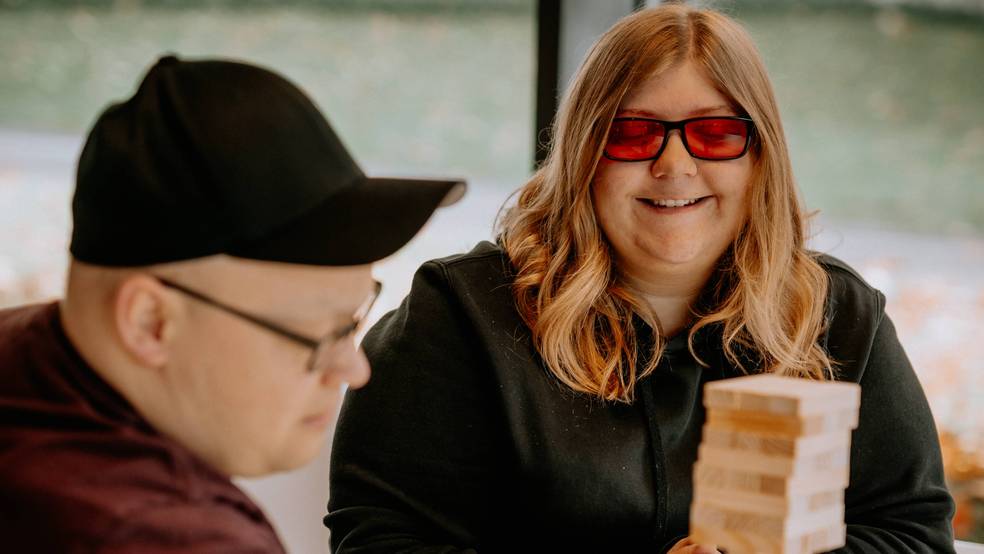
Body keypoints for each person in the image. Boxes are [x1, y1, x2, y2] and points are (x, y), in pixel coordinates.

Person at [325, 5, 955, 554]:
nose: (674, 164)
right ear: (582, 153)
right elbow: (379, 541)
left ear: (760, 156)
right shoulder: (459, 317)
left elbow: (915, 533)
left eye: (715, 133)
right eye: (631, 134)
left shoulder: (839, 313)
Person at [0, 55, 464, 552]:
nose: (354, 369)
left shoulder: (29, 345)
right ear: (150, 322)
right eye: (318, 334)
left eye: (352, 322)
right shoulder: (166, 537)